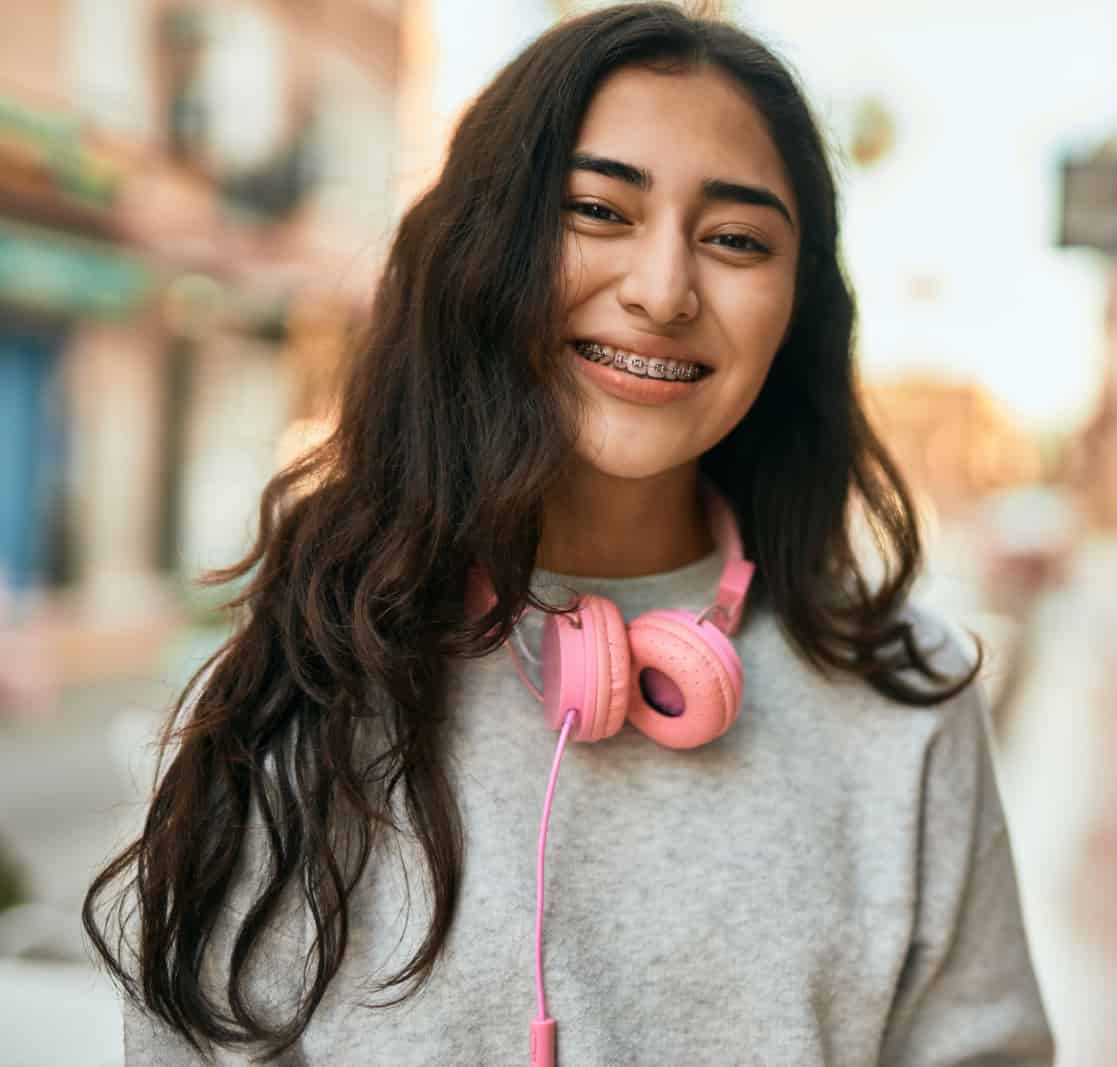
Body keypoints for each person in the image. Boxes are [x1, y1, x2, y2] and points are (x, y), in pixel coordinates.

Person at [84, 5, 1052, 1064]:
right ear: (483, 247)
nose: (663, 290)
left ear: (798, 307)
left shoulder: (904, 698)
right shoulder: (296, 685)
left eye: (735, 239)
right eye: (597, 209)